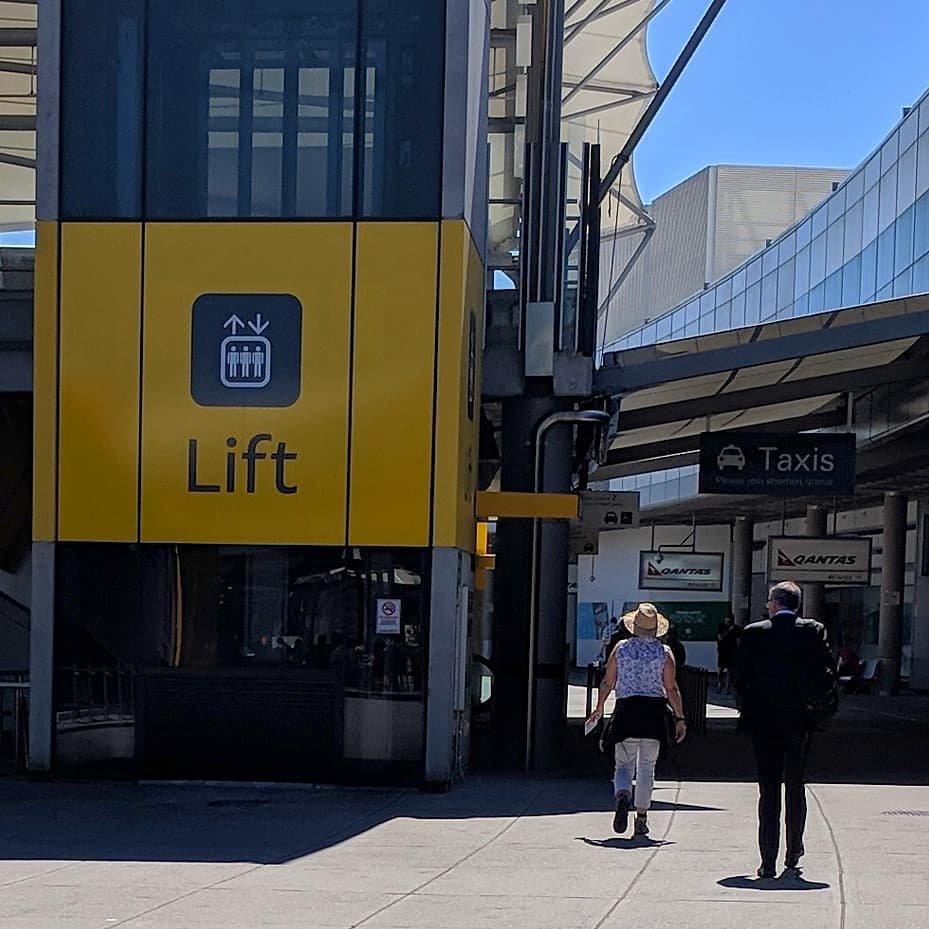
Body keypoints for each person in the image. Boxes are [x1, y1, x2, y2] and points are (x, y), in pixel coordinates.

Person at [733, 580, 836, 879]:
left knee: (768, 791)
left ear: (775, 603)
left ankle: (767, 859)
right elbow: (827, 670)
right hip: (800, 721)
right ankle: (794, 850)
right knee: (795, 785)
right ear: (797, 605)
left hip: (764, 721)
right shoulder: (813, 631)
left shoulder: (753, 633)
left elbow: (740, 677)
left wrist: (748, 706)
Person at [593, 603, 686, 837]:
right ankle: (641, 817)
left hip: (626, 710)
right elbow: (671, 688)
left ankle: (623, 793)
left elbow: (608, 681)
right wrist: (680, 717)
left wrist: (599, 706)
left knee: (623, 764)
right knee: (647, 767)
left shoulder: (621, 648)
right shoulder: (664, 652)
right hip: (654, 713)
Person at [716, 615, 740, 693]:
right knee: (720, 669)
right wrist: (728, 631)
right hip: (723, 651)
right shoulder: (722, 627)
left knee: (730, 670)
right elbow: (720, 637)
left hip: (732, 651)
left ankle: (728, 687)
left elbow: (738, 639)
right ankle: (720, 684)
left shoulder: (736, 628)